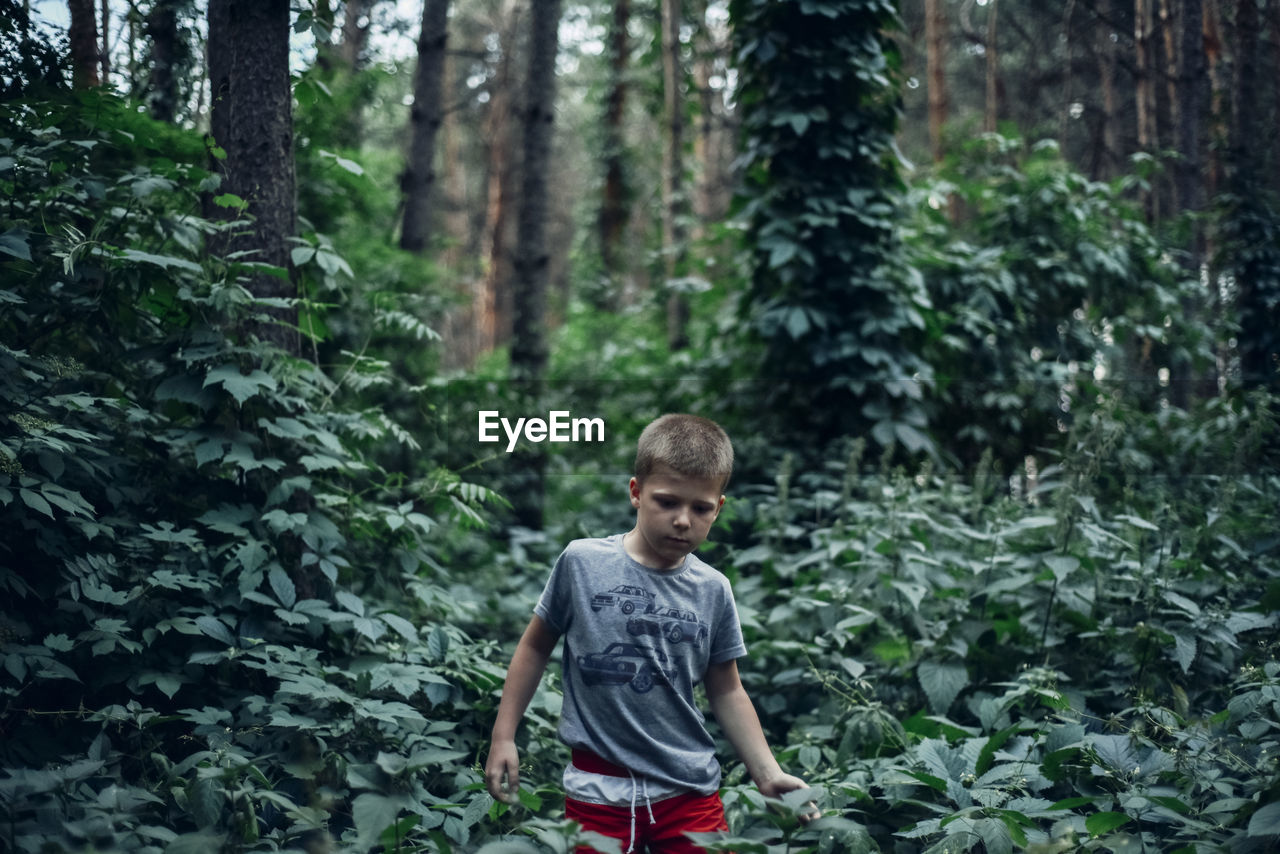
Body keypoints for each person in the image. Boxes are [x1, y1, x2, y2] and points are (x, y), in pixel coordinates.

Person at [484, 413, 814, 854]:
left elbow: (727, 690)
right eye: (667, 502)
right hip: (597, 792)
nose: (683, 520)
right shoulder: (582, 563)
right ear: (636, 493)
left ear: (719, 507)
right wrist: (503, 736)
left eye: (700, 508)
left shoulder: (714, 590)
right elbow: (535, 645)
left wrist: (768, 773)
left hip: (689, 794)